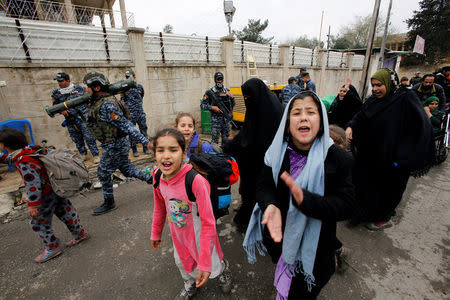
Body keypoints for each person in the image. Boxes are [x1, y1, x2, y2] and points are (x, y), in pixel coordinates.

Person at [243, 91, 355, 299]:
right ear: (287, 123)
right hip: (281, 241)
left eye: (311, 112)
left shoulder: (337, 158)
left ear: (321, 122)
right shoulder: (276, 153)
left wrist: (307, 201)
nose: (303, 117)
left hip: (317, 251)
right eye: (296, 113)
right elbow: (263, 186)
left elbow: (347, 205)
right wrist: (270, 205)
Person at [346, 68, 435, 230]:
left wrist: (403, 155)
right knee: (364, 185)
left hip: (393, 160)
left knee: (388, 190)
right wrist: (351, 126)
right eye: (373, 85)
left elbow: (421, 126)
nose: (375, 89)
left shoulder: (405, 99)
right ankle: (362, 214)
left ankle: (383, 218)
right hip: (371, 156)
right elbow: (361, 116)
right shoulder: (373, 100)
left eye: (379, 85)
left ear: (390, 83)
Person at [150, 128, 231, 300]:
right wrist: (156, 232)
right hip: (178, 237)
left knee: (212, 265)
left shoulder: (195, 181)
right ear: (154, 153)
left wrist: (205, 262)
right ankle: (189, 285)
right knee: (182, 263)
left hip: (201, 236)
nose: (166, 156)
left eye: (173, 150)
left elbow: (209, 222)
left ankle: (223, 271)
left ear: (184, 152)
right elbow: (159, 206)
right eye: (160, 150)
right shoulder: (157, 176)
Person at [0, 128, 89, 263]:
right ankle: (80, 234)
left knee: (38, 223)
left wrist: (33, 205)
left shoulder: (24, 160)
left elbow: (32, 184)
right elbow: (10, 159)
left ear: (5, 144)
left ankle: (53, 247)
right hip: (55, 188)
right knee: (66, 212)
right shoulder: (29, 150)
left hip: (44, 195)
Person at [82, 71, 152, 215]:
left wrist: (146, 142)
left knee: (102, 173)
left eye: (88, 87)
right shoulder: (97, 102)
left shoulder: (107, 105)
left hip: (115, 145)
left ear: (96, 88)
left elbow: (127, 126)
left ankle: (109, 203)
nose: (85, 90)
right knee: (127, 169)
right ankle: (153, 179)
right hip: (114, 144)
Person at [222, 78, 283, 230]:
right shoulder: (260, 102)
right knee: (249, 188)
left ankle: (251, 219)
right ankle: (249, 211)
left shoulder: (272, 109)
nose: (246, 100)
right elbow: (248, 131)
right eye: (245, 97)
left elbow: (261, 137)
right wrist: (233, 143)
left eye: (248, 97)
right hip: (253, 156)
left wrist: (237, 145)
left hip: (264, 159)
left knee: (256, 189)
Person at [51, 72, 100, 163]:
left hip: (83, 119)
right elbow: (54, 106)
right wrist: (61, 111)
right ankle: (83, 154)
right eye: (58, 81)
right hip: (70, 120)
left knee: (89, 137)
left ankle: (95, 155)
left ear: (68, 80)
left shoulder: (80, 89)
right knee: (76, 138)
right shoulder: (56, 93)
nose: (59, 83)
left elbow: (89, 99)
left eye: (61, 81)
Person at [200, 72, 235, 146]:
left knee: (226, 141)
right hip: (216, 122)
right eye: (218, 79)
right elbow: (202, 105)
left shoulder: (227, 91)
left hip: (226, 121)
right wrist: (212, 107)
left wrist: (232, 97)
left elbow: (233, 105)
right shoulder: (210, 92)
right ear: (215, 80)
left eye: (221, 79)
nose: (220, 81)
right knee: (215, 142)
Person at [121, 69, 150, 157]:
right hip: (130, 115)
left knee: (143, 131)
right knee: (132, 133)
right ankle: (134, 150)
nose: (128, 78)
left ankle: (146, 148)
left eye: (130, 76)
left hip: (140, 113)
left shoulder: (139, 87)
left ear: (134, 77)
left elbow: (142, 96)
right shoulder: (124, 88)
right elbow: (122, 101)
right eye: (127, 77)